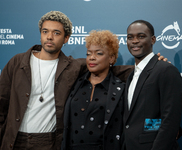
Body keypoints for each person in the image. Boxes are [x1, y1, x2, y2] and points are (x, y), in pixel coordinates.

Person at [0, 11, 88, 150]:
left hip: (48, 141)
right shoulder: (18, 62)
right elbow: (2, 101)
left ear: (66, 38)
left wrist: (135, 71)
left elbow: (106, 68)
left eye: (56, 33)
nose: (49, 37)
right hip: (14, 139)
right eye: (45, 31)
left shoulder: (73, 67)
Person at [123, 20, 182, 150]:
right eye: (130, 37)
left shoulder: (166, 70)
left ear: (153, 40)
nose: (134, 41)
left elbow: (170, 121)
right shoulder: (131, 75)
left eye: (141, 36)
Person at [61, 30, 125, 150]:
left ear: (111, 58)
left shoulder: (121, 88)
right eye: (88, 54)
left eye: (99, 53)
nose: (92, 58)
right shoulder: (75, 82)